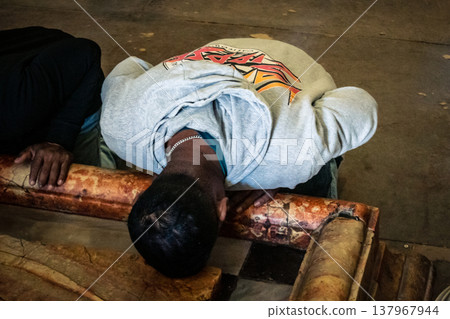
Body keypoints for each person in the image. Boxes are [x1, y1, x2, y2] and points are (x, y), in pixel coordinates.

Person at [101, 38, 378, 277]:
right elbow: (130, 66)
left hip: (288, 58)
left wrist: (280, 172)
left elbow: (361, 104)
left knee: (311, 174)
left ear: (223, 211)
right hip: (219, 49)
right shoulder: (121, 128)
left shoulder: (291, 151)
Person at [0, 26, 115, 189]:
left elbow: (85, 53)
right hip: (31, 89)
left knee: (90, 182)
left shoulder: (18, 100)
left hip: (74, 79)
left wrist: (57, 141)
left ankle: (108, 146)